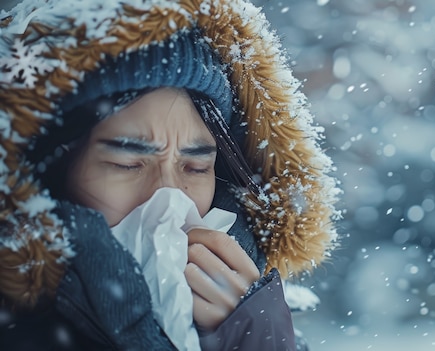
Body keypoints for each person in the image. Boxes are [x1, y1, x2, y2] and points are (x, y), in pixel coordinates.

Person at [0, 0, 340, 350]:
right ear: (46, 174)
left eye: (196, 167)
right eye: (127, 163)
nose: (170, 196)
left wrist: (252, 335)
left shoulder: (256, 320)